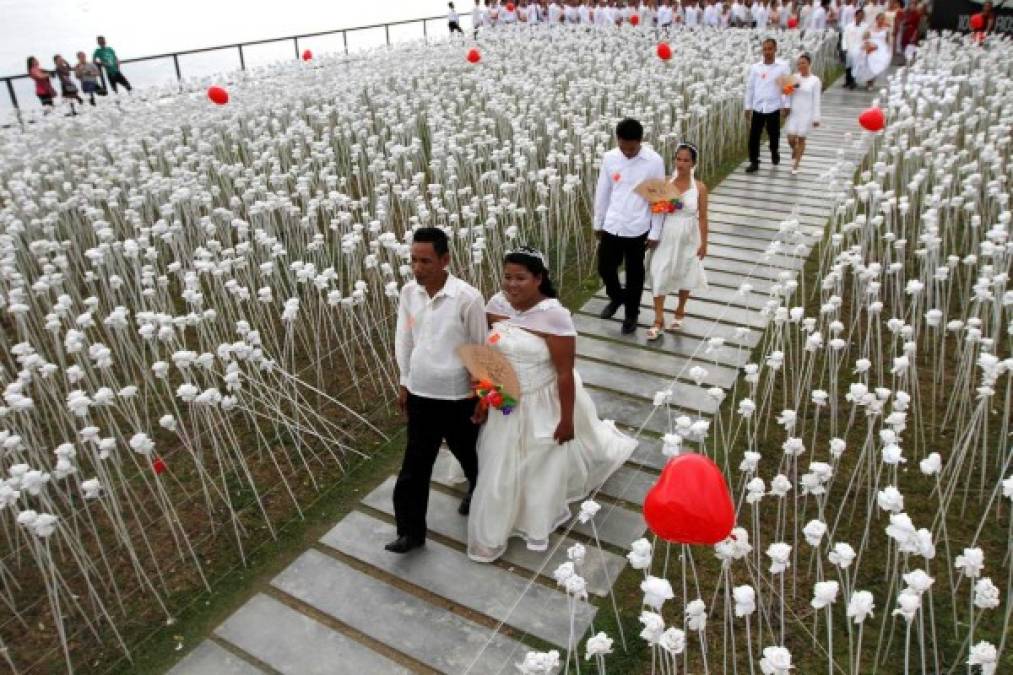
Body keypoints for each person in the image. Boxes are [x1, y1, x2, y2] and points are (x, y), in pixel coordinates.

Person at [466, 248, 637, 562]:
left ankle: (533, 516)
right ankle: (494, 528)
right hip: (507, 398)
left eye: (521, 278)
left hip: (544, 398)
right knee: (500, 463)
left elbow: (564, 372)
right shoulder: (496, 305)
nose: (512, 284)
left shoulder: (554, 316)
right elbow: (490, 357)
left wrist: (567, 419)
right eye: (507, 277)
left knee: (539, 462)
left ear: (539, 278)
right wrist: (485, 399)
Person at [387, 227, 487, 554]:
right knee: (414, 467)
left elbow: (479, 346)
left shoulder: (467, 298)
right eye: (413, 260)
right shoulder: (408, 293)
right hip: (420, 394)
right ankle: (410, 532)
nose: (417, 268)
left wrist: (482, 395)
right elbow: (404, 338)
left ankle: (480, 492)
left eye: (426, 261)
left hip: (458, 397)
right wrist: (405, 380)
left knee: (470, 454)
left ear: (445, 260)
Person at [593, 118, 665, 335]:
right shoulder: (610, 158)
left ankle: (631, 314)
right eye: (623, 147)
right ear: (618, 140)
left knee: (635, 274)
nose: (627, 152)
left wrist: (655, 231)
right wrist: (599, 222)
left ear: (640, 141)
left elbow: (659, 199)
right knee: (605, 268)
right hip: (613, 224)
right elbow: (603, 191)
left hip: (638, 227)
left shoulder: (653, 161)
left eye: (631, 149)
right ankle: (617, 297)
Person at [646, 144, 709, 340]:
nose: (681, 163)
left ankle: (680, 310)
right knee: (659, 270)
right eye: (678, 159)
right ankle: (658, 319)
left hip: (689, 233)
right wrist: (662, 204)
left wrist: (704, 242)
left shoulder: (699, 187)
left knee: (686, 270)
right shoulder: (665, 182)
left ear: (693, 163)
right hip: (667, 231)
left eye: (686, 160)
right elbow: (651, 205)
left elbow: (703, 217)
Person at [743, 38, 790, 173]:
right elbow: (750, 87)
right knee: (754, 135)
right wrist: (748, 106)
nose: (767, 52)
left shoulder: (782, 66)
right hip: (758, 107)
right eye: (765, 49)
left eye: (770, 49)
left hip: (773, 107)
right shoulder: (756, 67)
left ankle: (774, 150)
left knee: (774, 134)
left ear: (775, 49)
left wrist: (787, 104)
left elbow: (787, 87)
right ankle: (754, 161)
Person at [784, 53, 821, 175]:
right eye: (799, 63)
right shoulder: (794, 77)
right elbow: (786, 93)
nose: (801, 65)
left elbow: (816, 100)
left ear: (809, 64)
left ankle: (796, 164)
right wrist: (786, 106)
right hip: (794, 112)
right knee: (790, 138)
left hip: (807, 113)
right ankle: (794, 149)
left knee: (801, 138)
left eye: (803, 63)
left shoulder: (815, 80)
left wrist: (816, 117)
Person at [850, 11, 891, 90]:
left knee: (876, 62)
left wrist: (888, 50)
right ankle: (869, 82)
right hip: (871, 45)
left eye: (883, 19)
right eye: (880, 19)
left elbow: (888, 42)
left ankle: (871, 82)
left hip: (881, 48)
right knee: (867, 60)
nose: (881, 21)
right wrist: (867, 43)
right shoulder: (871, 28)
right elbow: (864, 37)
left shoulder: (886, 29)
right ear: (876, 19)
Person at [842, 7, 865, 88]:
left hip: (859, 49)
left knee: (856, 66)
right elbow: (845, 37)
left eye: (862, 16)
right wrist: (845, 48)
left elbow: (866, 38)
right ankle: (847, 81)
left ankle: (853, 81)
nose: (860, 17)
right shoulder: (849, 26)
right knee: (848, 65)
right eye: (859, 15)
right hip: (849, 48)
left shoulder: (865, 27)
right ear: (855, 16)